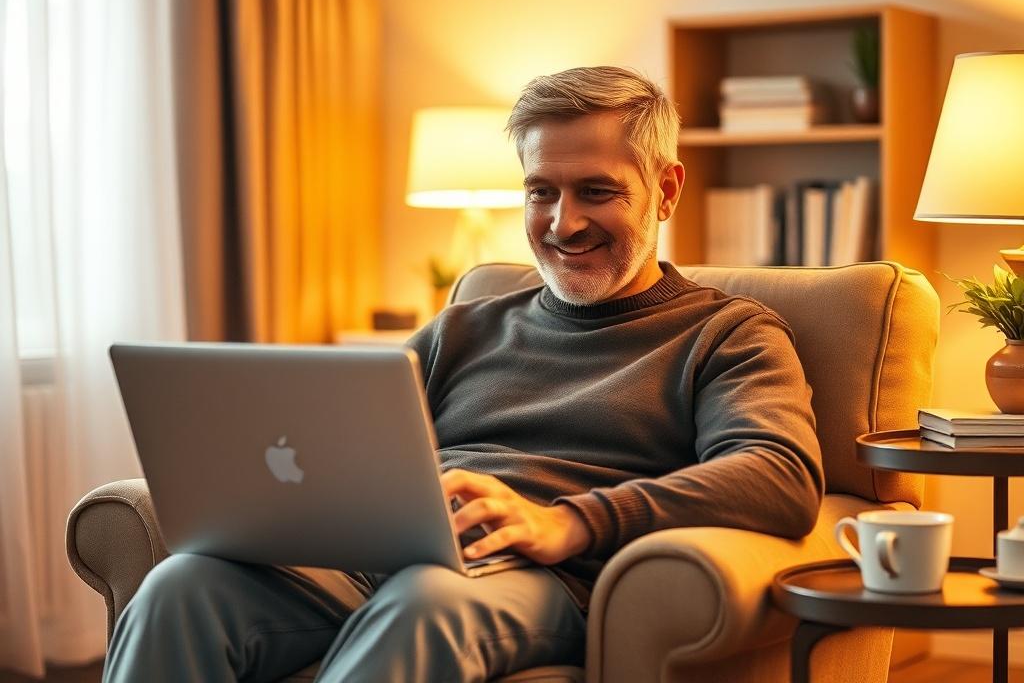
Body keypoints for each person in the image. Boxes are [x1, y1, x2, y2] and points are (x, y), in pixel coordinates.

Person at [103, 66, 824, 683]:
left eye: (596, 193)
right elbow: (337, 448)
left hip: (546, 579)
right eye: (541, 192)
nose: (563, 224)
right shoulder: (463, 327)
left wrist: (568, 522)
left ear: (665, 190)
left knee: (427, 603)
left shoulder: (727, 334)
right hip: (387, 558)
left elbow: (778, 474)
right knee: (182, 587)